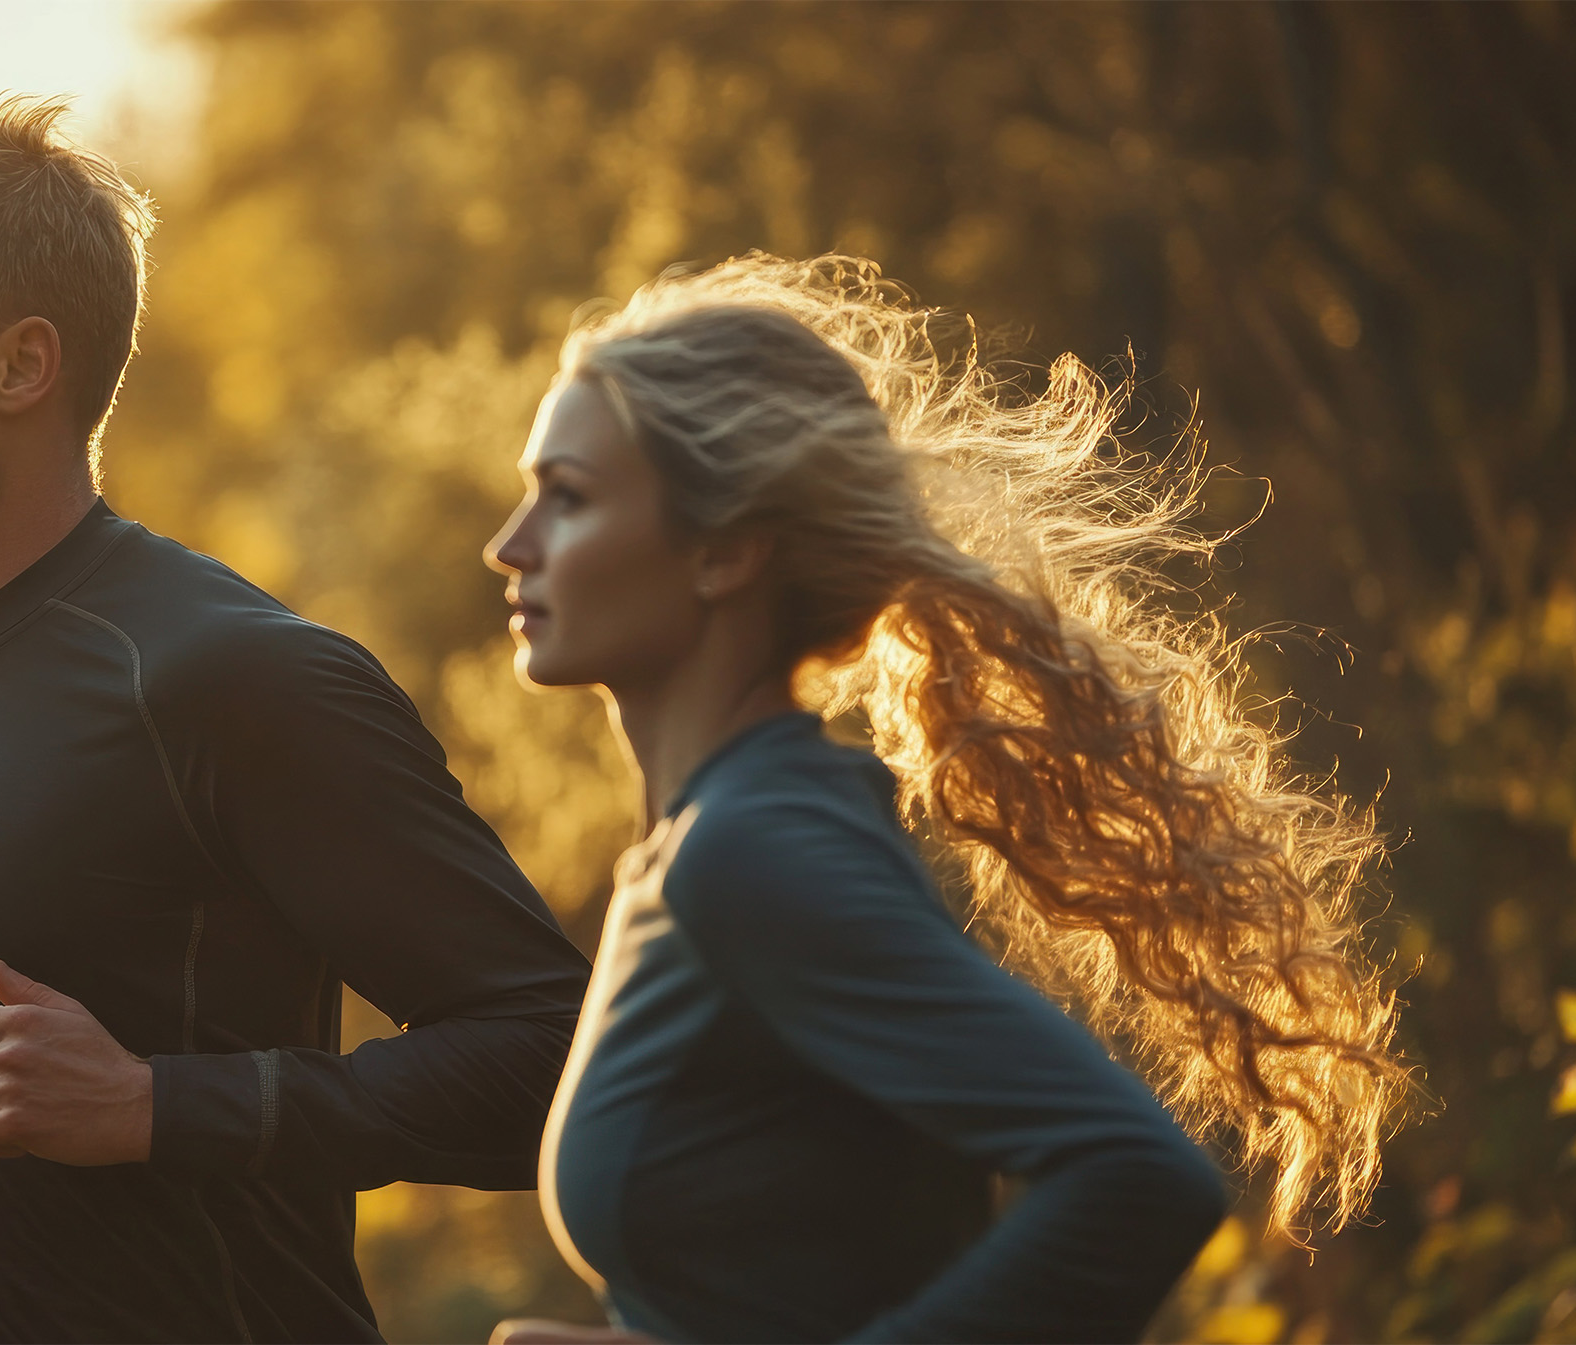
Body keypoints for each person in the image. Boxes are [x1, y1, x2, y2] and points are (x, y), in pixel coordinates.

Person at [0, 91, 591, 1344]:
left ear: (20, 367)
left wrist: (161, 1104)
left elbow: (555, 1065)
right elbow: (38, 1143)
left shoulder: (231, 677)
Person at [483, 256, 1411, 1344]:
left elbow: (1138, 1175)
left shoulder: (755, 847)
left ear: (726, 550)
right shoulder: (712, 839)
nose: (510, 546)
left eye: (570, 498)